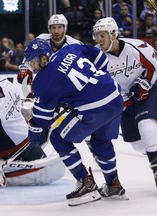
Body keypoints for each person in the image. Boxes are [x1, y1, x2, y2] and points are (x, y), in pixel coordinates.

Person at [23, 38, 125, 206]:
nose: (32, 67)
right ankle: (113, 184)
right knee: (100, 140)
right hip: (114, 96)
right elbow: (101, 57)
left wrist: (33, 126)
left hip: (94, 108)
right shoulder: (69, 50)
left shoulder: (42, 81)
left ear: (43, 58)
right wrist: (92, 84)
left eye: (33, 62)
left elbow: (43, 120)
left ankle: (86, 183)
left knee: (57, 137)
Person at [93, 17, 157, 188]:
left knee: (147, 126)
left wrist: (143, 83)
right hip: (124, 101)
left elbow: (155, 66)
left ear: (113, 34)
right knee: (137, 145)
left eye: (102, 36)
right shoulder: (96, 57)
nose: (99, 40)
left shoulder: (137, 47)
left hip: (149, 91)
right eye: (96, 36)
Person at [17, 14, 82, 90]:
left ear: (65, 28)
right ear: (49, 29)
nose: (56, 31)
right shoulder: (41, 39)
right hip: (45, 81)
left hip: (66, 83)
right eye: (53, 28)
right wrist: (26, 69)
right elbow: (29, 56)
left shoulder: (74, 44)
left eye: (59, 27)